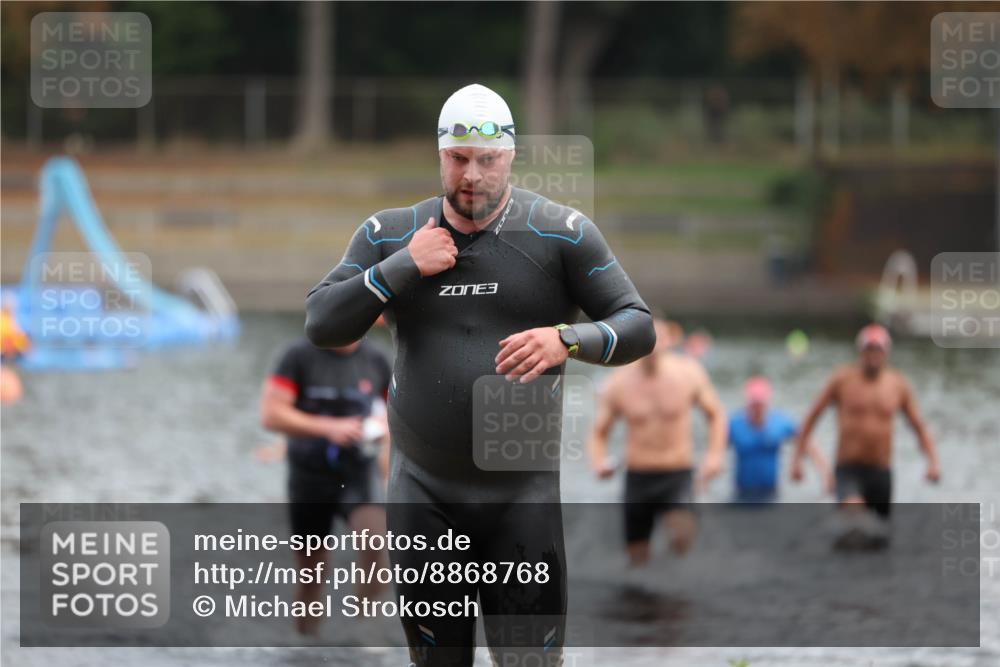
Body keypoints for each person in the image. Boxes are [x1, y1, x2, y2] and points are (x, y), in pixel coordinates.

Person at [304, 83, 655, 665]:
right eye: (458, 159)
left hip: (521, 498)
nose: (472, 176)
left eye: (486, 160)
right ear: (439, 154)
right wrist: (400, 269)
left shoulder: (559, 233)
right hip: (423, 494)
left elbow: (638, 325)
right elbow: (322, 323)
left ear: (510, 155)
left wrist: (568, 339)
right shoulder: (390, 234)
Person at [259, 336, 391, 636]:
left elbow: (398, 413)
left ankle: (363, 635)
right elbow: (271, 414)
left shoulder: (378, 360)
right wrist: (329, 428)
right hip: (310, 474)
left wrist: (384, 433)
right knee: (311, 573)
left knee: (374, 544)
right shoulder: (297, 356)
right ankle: (306, 642)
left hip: (359, 470)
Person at [588, 319, 727, 565]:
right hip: (638, 478)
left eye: (658, 338)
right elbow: (599, 432)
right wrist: (599, 462)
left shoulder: (688, 372)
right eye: (646, 338)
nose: (652, 345)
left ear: (670, 340)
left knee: (682, 535)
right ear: (635, 342)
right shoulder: (619, 382)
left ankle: (676, 588)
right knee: (637, 558)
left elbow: (715, 415)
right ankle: (647, 597)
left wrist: (714, 456)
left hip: (676, 474)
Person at [791, 324, 941, 521]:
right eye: (868, 349)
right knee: (855, 514)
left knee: (880, 535)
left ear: (886, 352)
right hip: (848, 469)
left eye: (877, 350)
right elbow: (812, 417)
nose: (873, 355)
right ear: (860, 351)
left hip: (881, 471)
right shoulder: (842, 380)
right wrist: (797, 460)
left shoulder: (897, 385)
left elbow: (918, 427)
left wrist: (932, 462)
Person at [727, 376, 831, 503]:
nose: (757, 409)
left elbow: (806, 441)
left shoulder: (779, 423)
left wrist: (825, 474)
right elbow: (714, 449)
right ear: (747, 403)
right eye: (754, 405)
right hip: (741, 493)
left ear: (767, 402)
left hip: (771, 493)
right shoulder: (734, 425)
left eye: (760, 404)